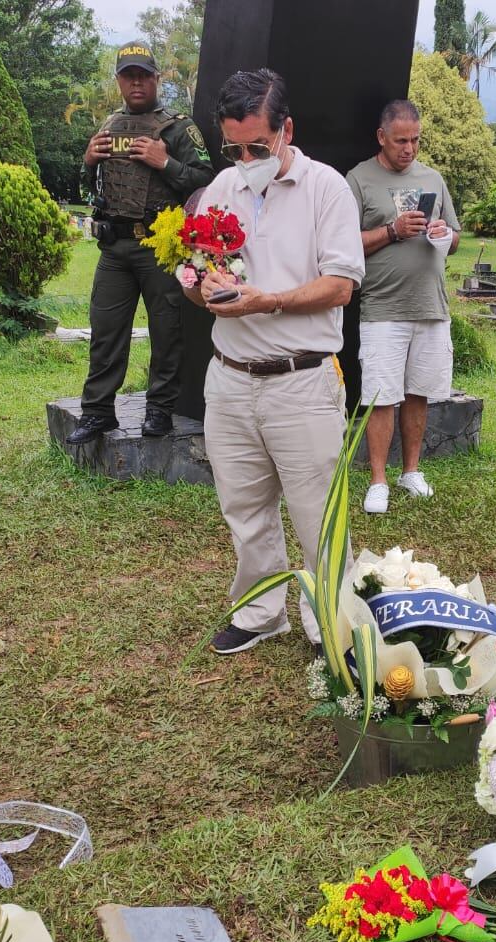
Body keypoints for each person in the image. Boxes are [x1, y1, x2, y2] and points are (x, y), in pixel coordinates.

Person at [182, 69, 365, 655]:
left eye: (256, 146)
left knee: (318, 514)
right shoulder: (220, 189)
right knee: (244, 507)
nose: (244, 158)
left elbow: (341, 285)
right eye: (232, 147)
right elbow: (192, 275)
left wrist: (270, 302)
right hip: (230, 378)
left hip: (300, 380)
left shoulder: (326, 188)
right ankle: (262, 612)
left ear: (287, 130)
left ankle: (329, 622)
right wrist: (200, 288)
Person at [67, 43, 215, 444]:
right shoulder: (108, 126)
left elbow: (208, 180)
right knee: (105, 331)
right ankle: (98, 412)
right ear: (118, 80)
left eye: (144, 75)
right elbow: (87, 190)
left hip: (159, 247)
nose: (136, 82)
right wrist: (88, 161)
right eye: (128, 75)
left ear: (156, 79)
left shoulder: (179, 127)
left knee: (167, 331)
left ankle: (159, 411)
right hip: (114, 247)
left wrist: (164, 162)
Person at [346, 99, 460, 515]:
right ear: (382, 137)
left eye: (415, 140)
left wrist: (444, 232)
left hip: (431, 306)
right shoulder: (359, 179)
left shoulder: (433, 177)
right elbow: (342, 243)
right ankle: (378, 480)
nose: (409, 149)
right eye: (400, 141)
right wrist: (392, 231)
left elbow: (457, 237)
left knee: (418, 393)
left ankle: (410, 471)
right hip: (383, 307)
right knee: (381, 396)